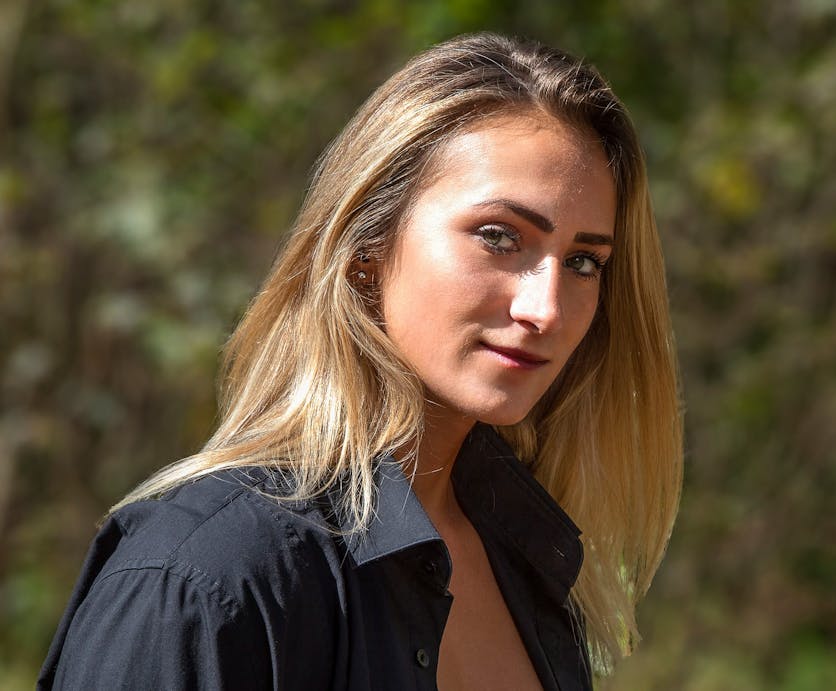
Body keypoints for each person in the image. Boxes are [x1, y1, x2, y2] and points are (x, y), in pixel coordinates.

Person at [39, 32, 682, 690]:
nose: (545, 307)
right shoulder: (204, 576)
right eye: (499, 237)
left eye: (582, 262)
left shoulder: (530, 567)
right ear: (366, 246)